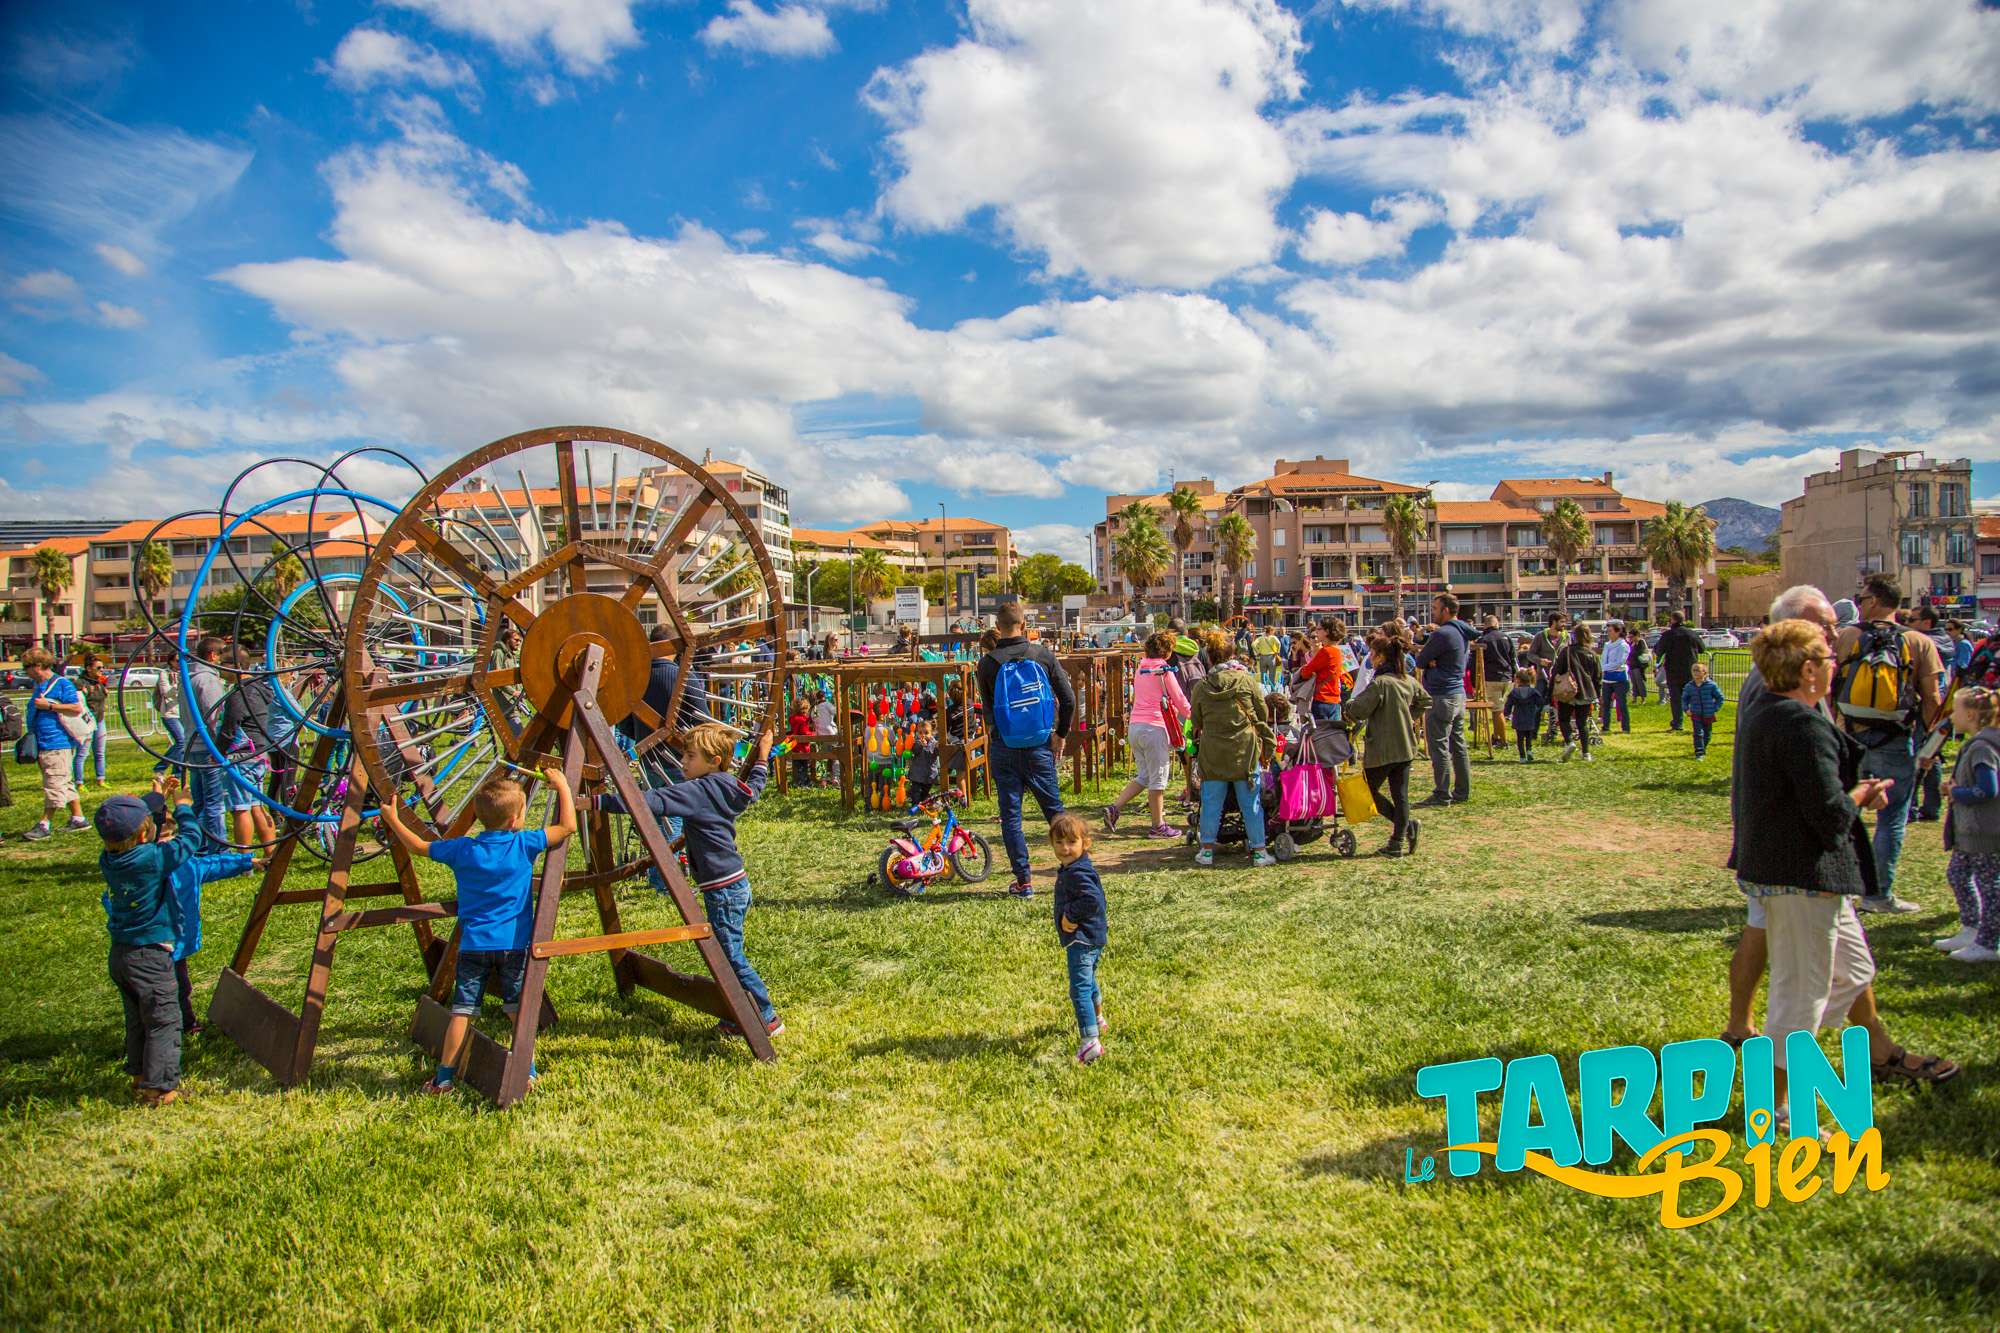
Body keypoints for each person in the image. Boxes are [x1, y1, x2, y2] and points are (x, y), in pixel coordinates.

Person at [1732, 618, 1957, 1130]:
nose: (1837, 667)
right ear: (1808, 670)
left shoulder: (1773, 712)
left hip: (1800, 874)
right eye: (1830, 659)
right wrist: (1861, 794)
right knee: (1800, 995)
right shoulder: (1799, 723)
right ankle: (1774, 1104)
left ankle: (1793, 1042)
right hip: (1801, 876)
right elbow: (1830, 815)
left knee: (1853, 972)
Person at [381, 764, 578, 1092]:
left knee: (462, 1012)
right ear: (515, 820)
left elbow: (418, 846)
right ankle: (526, 1071)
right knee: (517, 1012)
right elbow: (568, 826)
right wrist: (562, 786)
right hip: (514, 945)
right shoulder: (524, 844)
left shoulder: (463, 849)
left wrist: (393, 820)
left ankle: (444, 1078)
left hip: (473, 945)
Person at [588, 726, 783, 1038]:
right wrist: (762, 756)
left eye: (690, 756)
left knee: (730, 956)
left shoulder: (697, 791)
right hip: (735, 883)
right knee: (727, 952)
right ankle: (740, 1015)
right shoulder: (730, 785)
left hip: (722, 889)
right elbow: (756, 787)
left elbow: (648, 801)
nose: (683, 762)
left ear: (714, 760)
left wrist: (598, 802)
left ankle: (765, 1015)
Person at [1833, 574, 1942, 914]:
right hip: (1895, 737)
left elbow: (1830, 685)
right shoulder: (1918, 642)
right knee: (1892, 818)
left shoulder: (1848, 637)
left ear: (1877, 601)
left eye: (1863, 599)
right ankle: (1878, 894)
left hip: (1849, 734)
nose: (1860, 604)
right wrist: (1931, 739)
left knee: (1843, 813)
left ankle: (1838, 888)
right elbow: (1932, 697)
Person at [94, 786, 207, 1105]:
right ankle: (160, 1088)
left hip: (121, 955)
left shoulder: (110, 859)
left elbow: (137, 835)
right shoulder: (154, 859)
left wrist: (157, 806)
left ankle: (139, 1075)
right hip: (150, 956)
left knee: (138, 1020)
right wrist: (183, 807)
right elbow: (191, 840)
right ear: (144, 835)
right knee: (163, 1020)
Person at [139, 781, 256, 1036]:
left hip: (172, 943)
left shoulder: (181, 863)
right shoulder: (149, 864)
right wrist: (179, 806)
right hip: (155, 944)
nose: (166, 843)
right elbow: (185, 837)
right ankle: (162, 1030)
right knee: (158, 992)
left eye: (170, 837)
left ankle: (185, 1023)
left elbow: (214, 864)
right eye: (161, 838)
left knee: (179, 987)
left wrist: (248, 861)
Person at [977, 602, 1075, 897]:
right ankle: (1075, 871)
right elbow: (1068, 699)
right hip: (1039, 744)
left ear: (998, 626)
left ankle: (1024, 881)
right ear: (1024, 624)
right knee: (1054, 811)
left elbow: (989, 714)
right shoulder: (1042, 655)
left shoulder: (987, 663)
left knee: (1011, 818)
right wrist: (1060, 734)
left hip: (1004, 746)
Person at [1189, 628, 1276, 868]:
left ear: (1209, 657)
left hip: (1213, 751)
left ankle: (1206, 850)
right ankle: (1259, 851)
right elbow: (1262, 712)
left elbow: (1196, 720)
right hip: (1244, 751)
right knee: (1251, 803)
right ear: (1232, 655)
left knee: (1211, 803)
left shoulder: (1202, 687)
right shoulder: (1246, 680)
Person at [1343, 630, 1429, 857]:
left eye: (1372, 653)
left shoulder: (1380, 683)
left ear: (1381, 657)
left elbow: (1358, 710)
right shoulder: (1408, 680)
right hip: (1405, 745)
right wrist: (1409, 716)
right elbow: (1425, 701)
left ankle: (1404, 830)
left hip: (1383, 748)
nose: (1370, 657)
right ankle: (1398, 840)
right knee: (1400, 795)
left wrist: (1348, 705)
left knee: (1367, 791)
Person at [1101, 630, 1187, 839]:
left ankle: (1114, 808)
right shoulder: (1164, 671)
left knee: (1145, 776)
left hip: (1136, 727)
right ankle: (1158, 826)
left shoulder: (1141, 668)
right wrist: (1196, 716)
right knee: (1158, 779)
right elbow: (1179, 699)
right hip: (1154, 728)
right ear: (1167, 651)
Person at [1936, 686, 2000, 962]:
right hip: (1968, 831)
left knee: (1990, 887)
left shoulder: (1983, 748)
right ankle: (1971, 929)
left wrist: (1956, 792)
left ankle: (1988, 943)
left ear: (1971, 715)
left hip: (1985, 831)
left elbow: (1988, 789)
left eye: (1956, 710)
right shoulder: (1976, 744)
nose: (1952, 716)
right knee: (1958, 875)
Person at [1050, 812, 1108, 1066]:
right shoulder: (1074, 868)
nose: (1065, 848)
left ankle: (1090, 1041)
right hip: (1092, 937)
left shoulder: (1077, 873)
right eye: (1059, 842)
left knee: (1080, 989)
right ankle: (1098, 1018)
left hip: (1082, 939)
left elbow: (1092, 900)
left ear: (1086, 843)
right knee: (1089, 980)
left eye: (1071, 842)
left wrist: (1070, 916)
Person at [21, 648, 89, 841]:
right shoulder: (39, 685)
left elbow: (76, 708)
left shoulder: (61, 684)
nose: (25, 671)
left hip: (56, 742)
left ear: (38, 666)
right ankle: (78, 818)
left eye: (27, 666)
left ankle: (44, 824)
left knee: (54, 783)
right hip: (43, 742)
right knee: (63, 780)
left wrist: (50, 706)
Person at [1415, 593, 1474, 807]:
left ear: (1446, 610)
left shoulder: (1443, 634)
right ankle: (1462, 791)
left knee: (1439, 745)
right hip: (1458, 693)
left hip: (1441, 694)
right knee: (1458, 745)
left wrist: (1431, 660)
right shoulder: (1463, 631)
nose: (1432, 612)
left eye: (1435, 608)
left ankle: (1442, 793)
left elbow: (1420, 660)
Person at [220, 646, 281, 851]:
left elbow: (230, 727)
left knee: (240, 808)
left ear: (236, 666)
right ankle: (270, 853)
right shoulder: (258, 688)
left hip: (242, 754)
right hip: (258, 752)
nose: (219, 669)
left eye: (222, 665)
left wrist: (218, 751)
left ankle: (244, 858)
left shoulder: (240, 693)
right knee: (256, 804)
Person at [186, 635, 232, 844]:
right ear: (213, 655)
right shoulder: (208, 680)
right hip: (208, 747)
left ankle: (196, 844)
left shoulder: (189, 677)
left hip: (192, 745)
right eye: (223, 655)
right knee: (214, 803)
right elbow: (215, 716)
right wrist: (221, 746)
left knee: (200, 802)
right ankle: (218, 847)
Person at [1553, 625, 1602, 762]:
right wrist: (1596, 695)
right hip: (1586, 692)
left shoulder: (1567, 651)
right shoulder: (1592, 654)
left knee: (1564, 719)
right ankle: (1586, 753)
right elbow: (1597, 677)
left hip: (1568, 690)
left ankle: (1570, 742)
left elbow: (1557, 670)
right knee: (1582, 723)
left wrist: (1551, 689)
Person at [1657, 611, 1704, 732]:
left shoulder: (1668, 634)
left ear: (1672, 620)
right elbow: (1702, 648)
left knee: (1676, 698)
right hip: (1690, 670)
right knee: (1693, 697)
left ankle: (1677, 723)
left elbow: (1659, 650)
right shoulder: (1692, 633)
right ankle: (1698, 722)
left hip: (1673, 670)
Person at [1294, 619, 1349, 723]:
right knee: (1333, 731)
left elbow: (1306, 672)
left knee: (1320, 731)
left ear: (1327, 632)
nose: (1316, 632)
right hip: (1335, 698)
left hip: (1322, 698)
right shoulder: (1337, 650)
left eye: (1319, 629)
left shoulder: (1325, 651)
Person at [1474, 615, 1516, 750]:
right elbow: (1513, 658)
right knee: (1498, 709)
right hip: (1507, 677)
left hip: (1491, 678)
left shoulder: (1483, 639)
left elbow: (1475, 662)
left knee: (1497, 711)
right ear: (1497, 624)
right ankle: (1496, 736)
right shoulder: (1507, 637)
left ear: (1485, 625)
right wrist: (1514, 675)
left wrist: (1474, 682)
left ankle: (1503, 741)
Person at [1528, 612, 1569, 743]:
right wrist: (1540, 661)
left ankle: (1558, 732)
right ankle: (1533, 733)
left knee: (1560, 705)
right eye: (1561, 622)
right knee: (1538, 705)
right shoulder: (1540, 636)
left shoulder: (1566, 637)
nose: (1564, 625)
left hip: (1560, 678)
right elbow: (1530, 654)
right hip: (1543, 677)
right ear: (1553, 622)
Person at [76, 652, 111, 791]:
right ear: (89, 668)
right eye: (98, 668)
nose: (102, 670)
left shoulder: (99, 682)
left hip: (100, 720)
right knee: (82, 753)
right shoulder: (80, 683)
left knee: (100, 752)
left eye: (103, 667)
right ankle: (79, 782)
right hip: (87, 722)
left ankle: (101, 779)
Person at [1681, 662, 1725, 760]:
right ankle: (1699, 752)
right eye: (1693, 670)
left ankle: (1703, 747)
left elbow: (1720, 698)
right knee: (1698, 733)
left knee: (1707, 734)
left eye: (1698, 670)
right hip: (1695, 714)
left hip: (1708, 714)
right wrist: (1686, 709)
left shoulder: (1711, 685)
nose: (1695, 672)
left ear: (1704, 672)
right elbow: (1684, 699)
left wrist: (1715, 708)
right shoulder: (1689, 686)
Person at [1503, 667, 1545, 762]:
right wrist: (1537, 710)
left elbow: (1509, 705)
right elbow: (1540, 703)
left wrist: (1506, 713)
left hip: (1518, 718)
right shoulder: (1534, 692)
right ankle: (1529, 750)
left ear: (1518, 679)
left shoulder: (1514, 692)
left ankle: (1522, 756)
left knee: (1520, 738)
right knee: (1528, 737)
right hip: (1530, 717)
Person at [153, 667, 186, 784]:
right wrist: (177, 684)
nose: (179, 663)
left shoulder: (184, 671)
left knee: (184, 744)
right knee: (182, 742)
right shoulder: (165, 673)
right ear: (171, 661)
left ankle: (177, 774)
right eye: (177, 660)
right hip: (170, 714)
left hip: (183, 713)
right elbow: (166, 693)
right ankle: (160, 768)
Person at [1598, 623, 1632, 735]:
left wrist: (1604, 668)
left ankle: (1625, 727)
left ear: (1618, 632)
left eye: (1610, 631)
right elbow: (1603, 659)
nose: (1608, 633)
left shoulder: (1623, 645)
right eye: (1607, 631)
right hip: (1607, 679)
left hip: (1619, 679)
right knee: (1605, 704)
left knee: (1622, 704)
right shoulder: (1607, 645)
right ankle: (1606, 726)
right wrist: (1603, 667)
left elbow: (1619, 662)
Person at [906, 717, 939, 808]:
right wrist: (920, 745)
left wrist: (938, 747)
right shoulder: (916, 742)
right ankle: (915, 805)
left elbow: (937, 753)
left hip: (929, 774)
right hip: (917, 774)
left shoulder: (934, 743)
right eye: (920, 733)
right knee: (916, 791)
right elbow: (915, 751)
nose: (923, 735)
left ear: (932, 733)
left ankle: (922, 802)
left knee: (925, 792)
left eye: (926, 733)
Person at [1252, 625, 1282, 694]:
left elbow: (1253, 644)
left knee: (1263, 675)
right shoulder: (1273, 637)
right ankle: (1272, 691)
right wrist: (1277, 651)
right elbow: (1278, 643)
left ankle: (1264, 690)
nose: (1274, 632)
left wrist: (1258, 652)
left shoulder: (1260, 638)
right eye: (1273, 631)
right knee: (1272, 675)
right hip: (1271, 657)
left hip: (1262, 657)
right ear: (1271, 631)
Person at [1627, 624, 1652, 704]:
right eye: (1629, 637)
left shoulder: (1641, 642)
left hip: (1639, 666)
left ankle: (1643, 698)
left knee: (1640, 682)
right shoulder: (1631, 643)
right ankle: (1634, 698)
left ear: (1637, 635)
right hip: (1631, 665)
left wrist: (1631, 653)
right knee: (1634, 682)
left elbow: (1639, 652)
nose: (1630, 638)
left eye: (1632, 637)